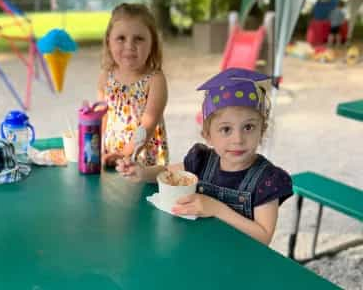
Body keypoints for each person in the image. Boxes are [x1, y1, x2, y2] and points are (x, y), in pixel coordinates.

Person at [116, 68, 293, 245]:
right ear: (208, 135)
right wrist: (142, 173)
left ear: (262, 130)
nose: (238, 139)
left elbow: (264, 236)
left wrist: (216, 209)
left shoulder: (266, 180)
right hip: (201, 250)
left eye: (248, 127)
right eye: (226, 129)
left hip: (241, 263)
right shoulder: (202, 161)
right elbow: (166, 173)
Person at [98, 3, 169, 168]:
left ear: (152, 44)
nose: (129, 46)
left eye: (139, 39)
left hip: (142, 160)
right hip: (110, 156)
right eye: (121, 38)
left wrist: (124, 155)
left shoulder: (155, 80)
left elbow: (148, 125)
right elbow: (102, 118)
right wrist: (99, 150)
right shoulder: (105, 77)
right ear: (109, 41)